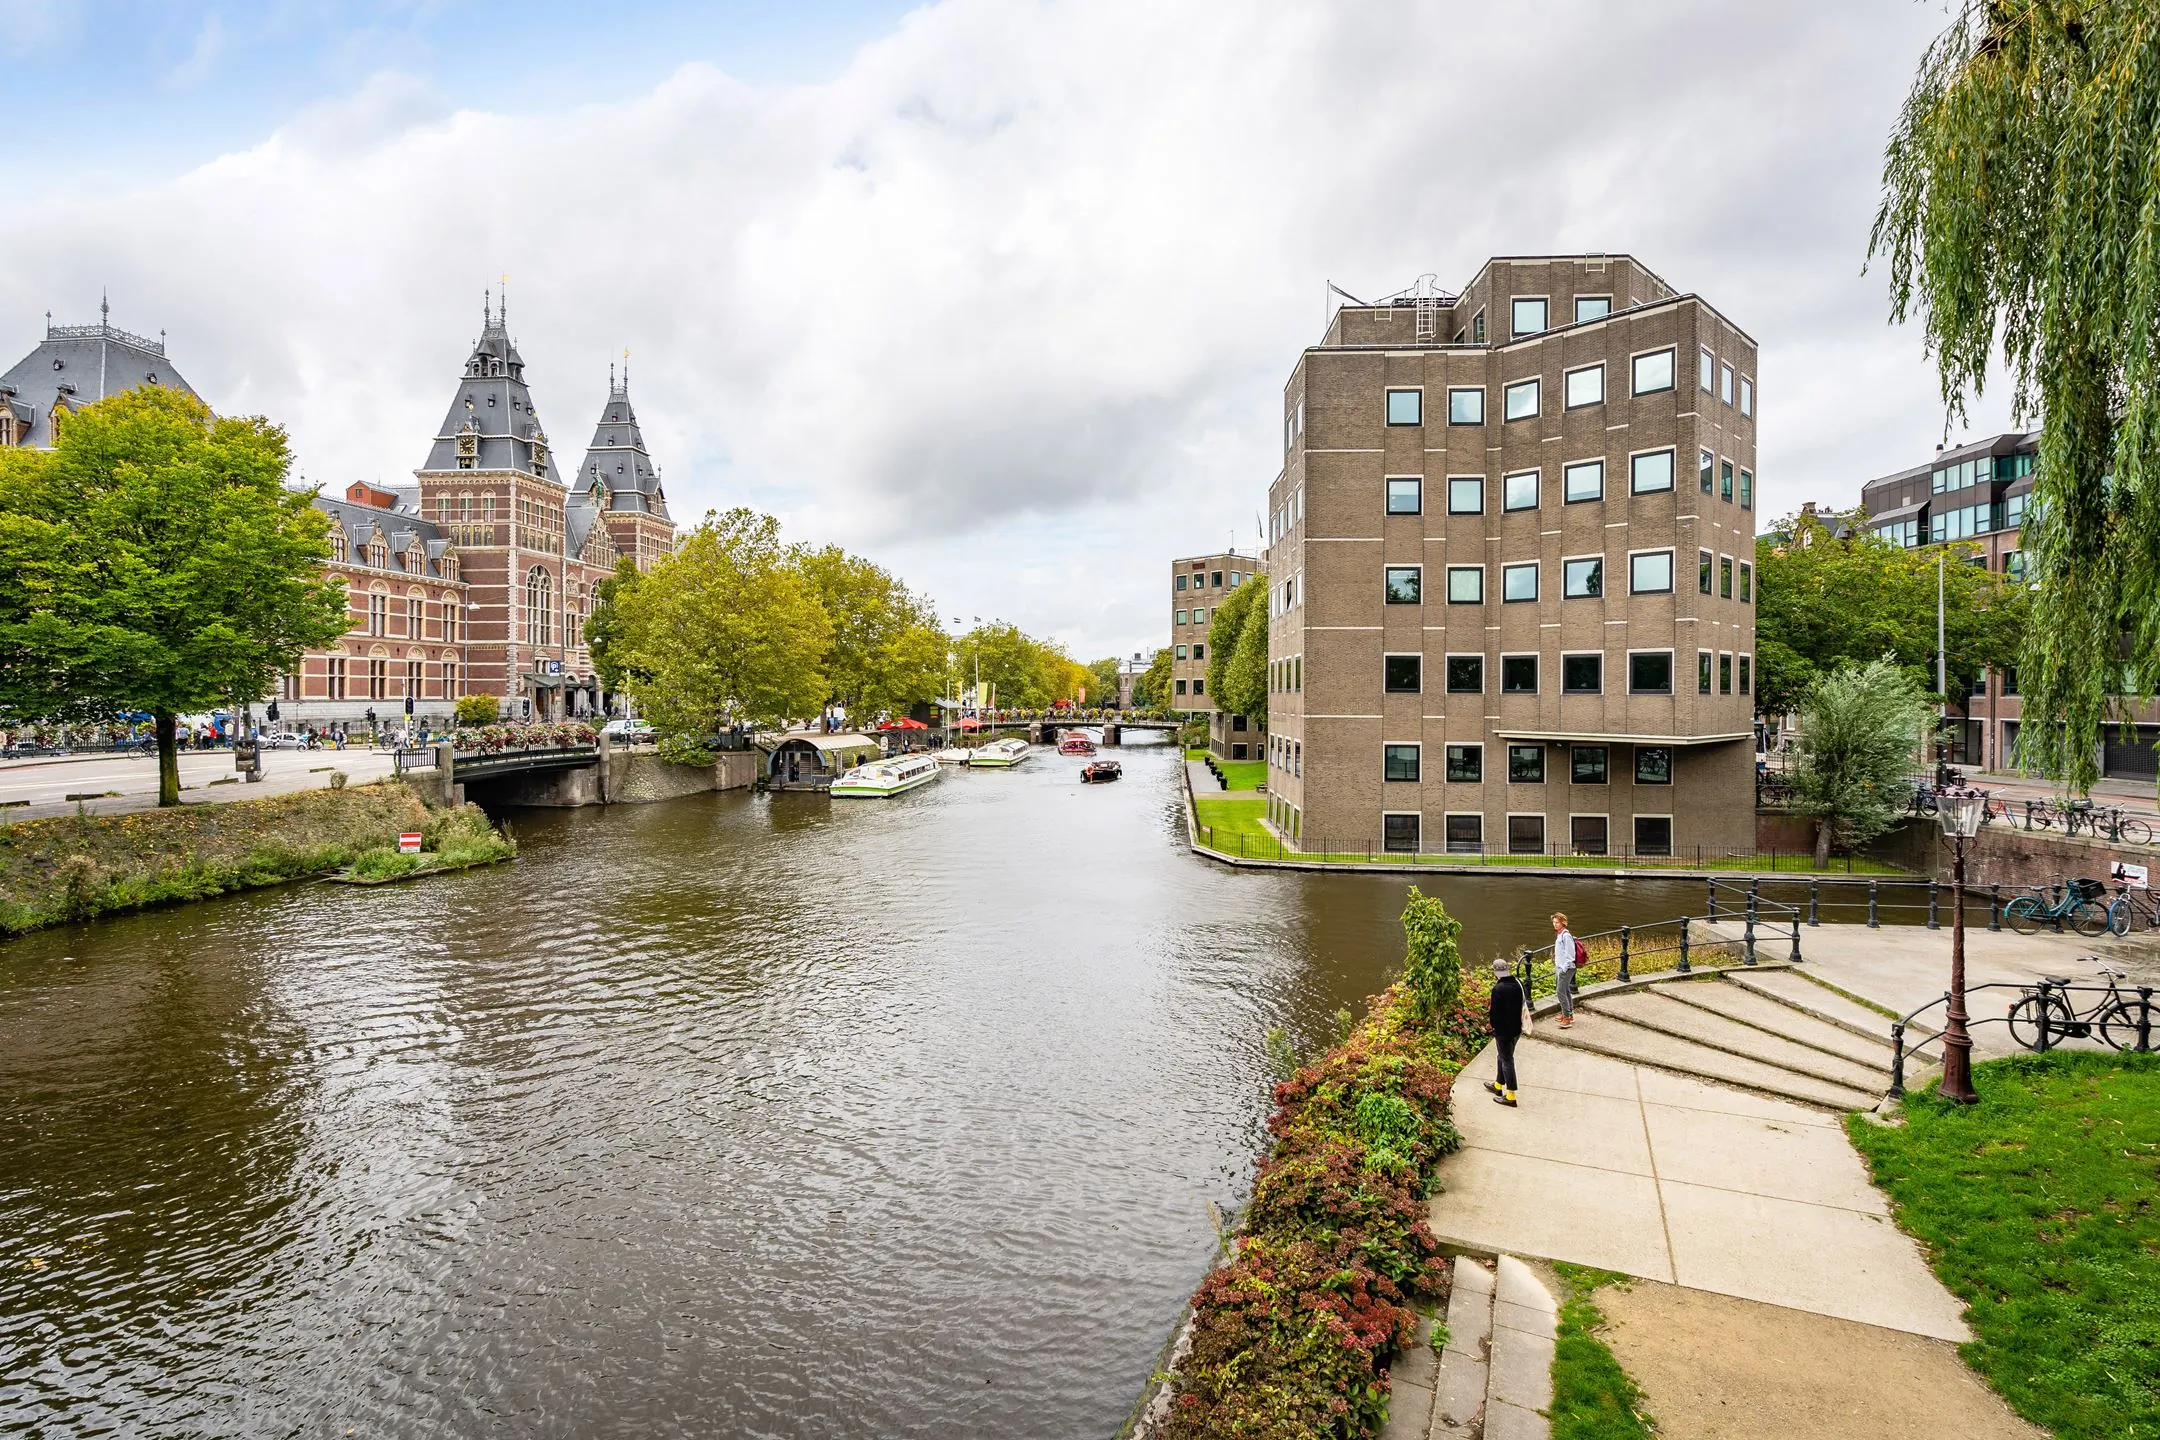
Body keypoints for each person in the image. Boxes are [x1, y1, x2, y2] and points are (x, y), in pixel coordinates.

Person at [1486, 957, 1527, 1107]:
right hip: (1516, 1029)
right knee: (1502, 1056)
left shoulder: (1498, 989)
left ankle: (1510, 1096)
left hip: (1503, 1031)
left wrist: (1493, 1027)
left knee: (1507, 1060)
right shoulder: (1517, 983)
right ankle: (1498, 1085)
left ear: (1496, 972)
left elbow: (1495, 1014)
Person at [1551, 911, 1579, 1029]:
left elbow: (1570, 954)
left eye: (1557, 922)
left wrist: (1564, 968)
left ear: (1563, 923)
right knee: (1565, 991)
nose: (1555, 924)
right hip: (1560, 967)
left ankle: (1567, 1018)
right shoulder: (1560, 934)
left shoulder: (1566, 936)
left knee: (1560, 992)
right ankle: (1568, 1014)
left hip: (1565, 968)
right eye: (1554, 922)